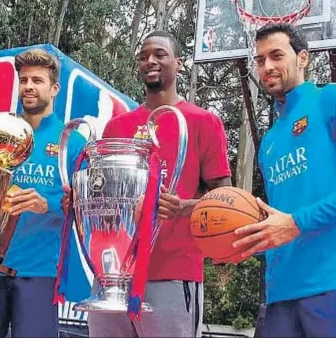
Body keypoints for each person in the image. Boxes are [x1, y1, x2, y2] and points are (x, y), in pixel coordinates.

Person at [63, 30, 233, 337]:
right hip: (112, 275)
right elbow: (104, 195)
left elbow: (225, 199)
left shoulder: (203, 121)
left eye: (159, 54)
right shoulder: (118, 126)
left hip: (172, 272)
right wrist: (79, 200)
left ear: (179, 63)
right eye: (143, 57)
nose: (150, 61)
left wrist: (183, 207)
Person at [231, 23, 336, 337]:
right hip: (281, 295)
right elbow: (279, 221)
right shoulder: (270, 143)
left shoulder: (335, 98)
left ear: (302, 58)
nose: (267, 66)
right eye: (260, 59)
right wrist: (242, 240)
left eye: (276, 55)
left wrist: (297, 223)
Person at [0, 48, 86, 337]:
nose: (29, 87)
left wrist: (47, 204)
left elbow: (85, 207)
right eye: (24, 80)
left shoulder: (72, 141)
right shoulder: (0, 135)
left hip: (39, 273)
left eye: (37, 80)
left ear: (54, 88)